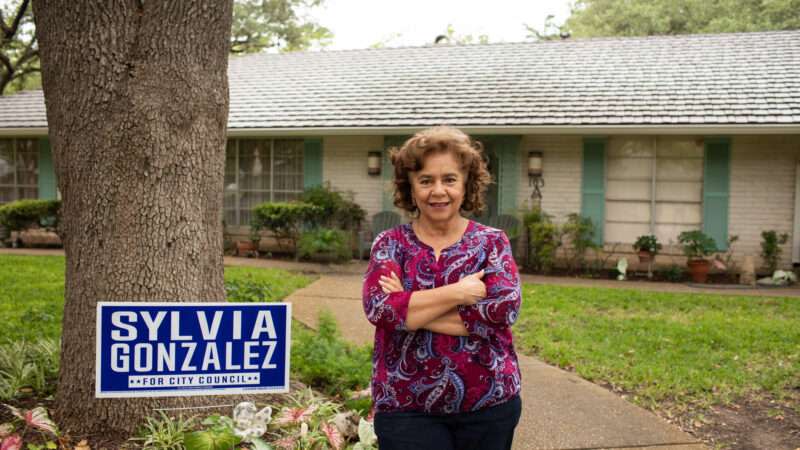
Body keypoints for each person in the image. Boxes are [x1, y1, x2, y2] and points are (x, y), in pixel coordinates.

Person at [362, 126, 522, 450]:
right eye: (426, 180)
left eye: (449, 179)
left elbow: (501, 311)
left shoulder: (491, 242)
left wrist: (409, 310)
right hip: (405, 407)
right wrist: (459, 294)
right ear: (410, 186)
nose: (438, 191)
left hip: (489, 405)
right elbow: (379, 309)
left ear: (466, 185)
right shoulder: (390, 244)